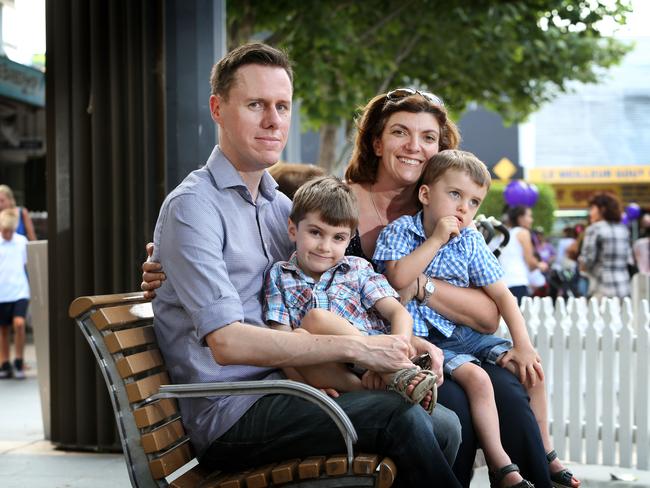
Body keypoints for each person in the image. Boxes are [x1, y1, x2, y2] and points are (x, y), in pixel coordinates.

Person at [144, 87, 554, 487]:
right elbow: (285, 265)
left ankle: (536, 475)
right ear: (377, 142)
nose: (414, 146)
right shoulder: (329, 205)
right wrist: (164, 267)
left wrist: (416, 295)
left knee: (505, 391)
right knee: (440, 411)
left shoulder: (445, 212)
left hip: (407, 352)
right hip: (308, 375)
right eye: (400, 133)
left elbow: (486, 313)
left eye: (428, 137)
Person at [373, 150, 579, 488]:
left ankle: (546, 451)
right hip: (428, 339)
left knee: (532, 371)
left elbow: (502, 297)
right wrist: (437, 239)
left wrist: (524, 346)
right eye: (455, 195)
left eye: (474, 203)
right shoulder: (400, 232)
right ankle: (501, 464)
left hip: (463, 332)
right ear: (425, 195)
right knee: (480, 381)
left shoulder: (470, 240)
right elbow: (399, 278)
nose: (463, 209)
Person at [264, 175, 438, 412]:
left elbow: (399, 313)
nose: (325, 247)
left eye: (338, 238)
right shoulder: (279, 275)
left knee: (316, 319)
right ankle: (379, 388)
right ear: (293, 230)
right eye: (315, 233)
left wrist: (396, 354)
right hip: (328, 367)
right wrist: (303, 384)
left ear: (349, 238)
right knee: (306, 328)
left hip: (376, 350)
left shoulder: (356, 269)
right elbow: (280, 345)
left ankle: (396, 373)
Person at [579, 192, 631, 298]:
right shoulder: (623, 229)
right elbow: (628, 259)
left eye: (592, 208)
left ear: (602, 209)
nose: (590, 213)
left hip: (601, 288)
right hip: (623, 287)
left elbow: (587, 260)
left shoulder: (594, 229)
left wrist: (581, 263)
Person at [0, 209, 30, 379]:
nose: (7, 234)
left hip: (19, 290)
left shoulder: (21, 242)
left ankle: (19, 360)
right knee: (3, 329)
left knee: (19, 324)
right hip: (1, 292)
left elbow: (28, 264)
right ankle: (4, 362)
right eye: (4, 231)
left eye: (10, 231)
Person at [498, 205, 548, 304]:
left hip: (503, 283)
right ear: (520, 218)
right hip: (518, 281)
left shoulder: (505, 234)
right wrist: (540, 265)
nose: (531, 220)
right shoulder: (523, 233)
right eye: (529, 216)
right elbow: (530, 261)